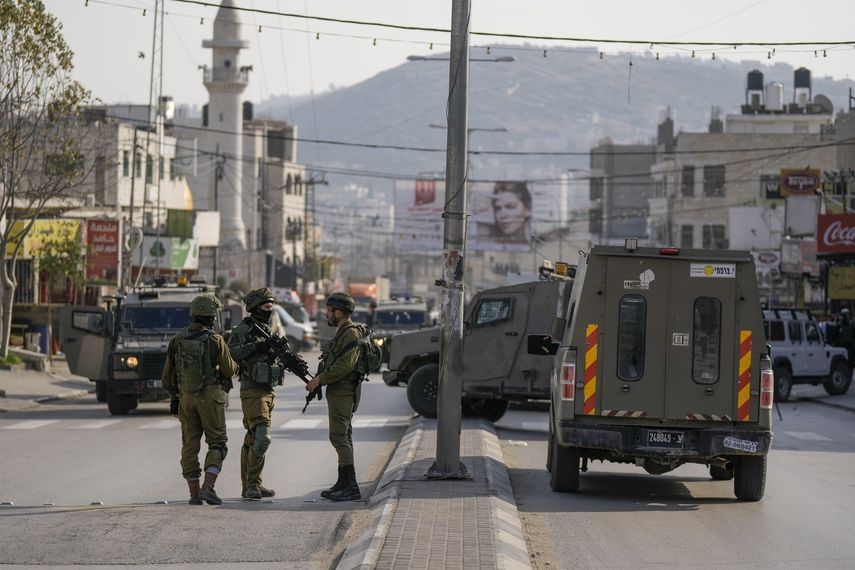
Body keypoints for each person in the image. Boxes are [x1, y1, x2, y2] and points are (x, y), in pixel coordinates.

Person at [162, 293, 237, 505]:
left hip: (186, 397)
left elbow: (167, 376)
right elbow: (229, 370)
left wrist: (174, 398)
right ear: (211, 317)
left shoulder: (177, 339)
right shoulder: (216, 340)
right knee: (218, 444)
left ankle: (194, 495)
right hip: (210, 397)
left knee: (189, 445)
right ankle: (208, 487)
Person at [227, 287, 285, 501]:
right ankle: (251, 484)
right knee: (262, 438)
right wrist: (256, 347)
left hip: (267, 390)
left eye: (271, 306)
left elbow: (271, 358)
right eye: (266, 306)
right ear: (254, 307)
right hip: (252, 390)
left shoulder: (267, 329)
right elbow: (231, 351)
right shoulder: (245, 329)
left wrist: (274, 354)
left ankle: (253, 485)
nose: (269, 310)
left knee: (253, 438)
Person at [305, 292, 363, 502]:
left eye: (329, 310)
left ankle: (351, 486)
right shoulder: (343, 331)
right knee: (342, 435)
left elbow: (344, 365)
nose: (326, 314)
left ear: (338, 312)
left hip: (344, 390)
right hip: (339, 390)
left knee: (339, 436)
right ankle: (343, 482)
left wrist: (320, 379)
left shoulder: (350, 333)